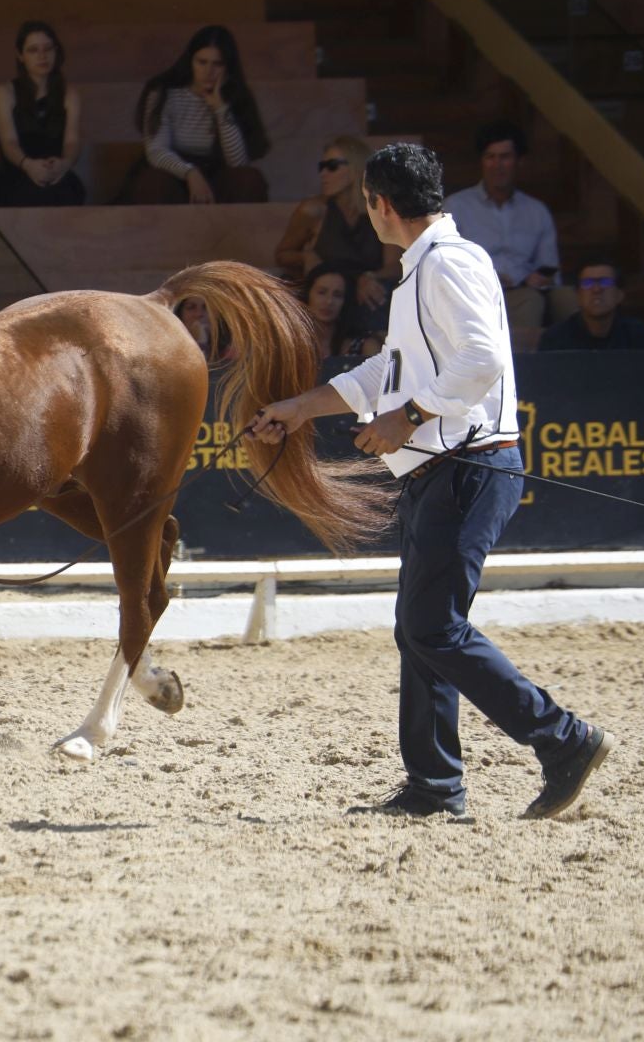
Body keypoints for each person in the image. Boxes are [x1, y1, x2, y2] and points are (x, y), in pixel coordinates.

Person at [251, 142, 616, 821]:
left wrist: (407, 417)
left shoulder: (446, 266)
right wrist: (301, 407)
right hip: (441, 470)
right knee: (418, 629)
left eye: (368, 204)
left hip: (467, 468)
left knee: (433, 627)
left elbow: (482, 360)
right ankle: (434, 784)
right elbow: (384, 376)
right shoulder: (426, 270)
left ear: (382, 207)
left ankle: (563, 739)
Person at [442, 120, 578, 351]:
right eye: (490, 157)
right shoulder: (456, 206)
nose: (498, 165)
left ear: (519, 162)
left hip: (527, 288)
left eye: (505, 157)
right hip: (478, 292)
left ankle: (585, 371)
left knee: (569, 298)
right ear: (481, 162)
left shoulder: (536, 211)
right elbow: (444, 263)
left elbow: (550, 268)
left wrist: (541, 277)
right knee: (530, 301)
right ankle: (520, 375)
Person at [126, 25, 271, 205]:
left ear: (228, 68)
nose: (208, 72)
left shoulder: (237, 96)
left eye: (217, 64)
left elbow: (238, 163)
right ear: (190, 61)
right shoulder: (163, 92)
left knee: (249, 179)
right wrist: (191, 173)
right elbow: (157, 150)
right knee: (154, 182)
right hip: (174, 173)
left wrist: (220, 108)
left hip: (218, 175)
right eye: (201, 62)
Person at [274, 134, 398, 333]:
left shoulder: (382, 212)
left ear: (357, 169)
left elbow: (394, 265)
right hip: (327, 293)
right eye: (321, 167)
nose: (324, 174)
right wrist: (305, 256)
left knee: (379, 293)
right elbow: (282, 254)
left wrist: (370, 277)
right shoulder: (314, 210)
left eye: (332, 166)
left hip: (362, 294)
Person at [0, 20, 84, 208]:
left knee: (67, 193)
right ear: (20, 55)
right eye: (33, 50)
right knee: (28, 195)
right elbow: (9, 142)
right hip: (17, 171)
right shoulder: (5, 92)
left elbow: (72, 141)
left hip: (55, 171)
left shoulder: (70, 93)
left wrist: (65, 164)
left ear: (56, 51)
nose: (42, 56)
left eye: (48, 48)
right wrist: (29, 165)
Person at [539, 259, 644, 352]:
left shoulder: (641, 336)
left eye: (605, 282)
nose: (596, 289)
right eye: (587, 283)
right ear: (578, 295)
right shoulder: (556, 339)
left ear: (619, 295)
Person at [301, 263, 380, 358]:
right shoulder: (292, 343)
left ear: (345, 302)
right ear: (307, 295)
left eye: (337, 295)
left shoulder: (365, 346)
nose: (329, 301)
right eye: (322, 292)